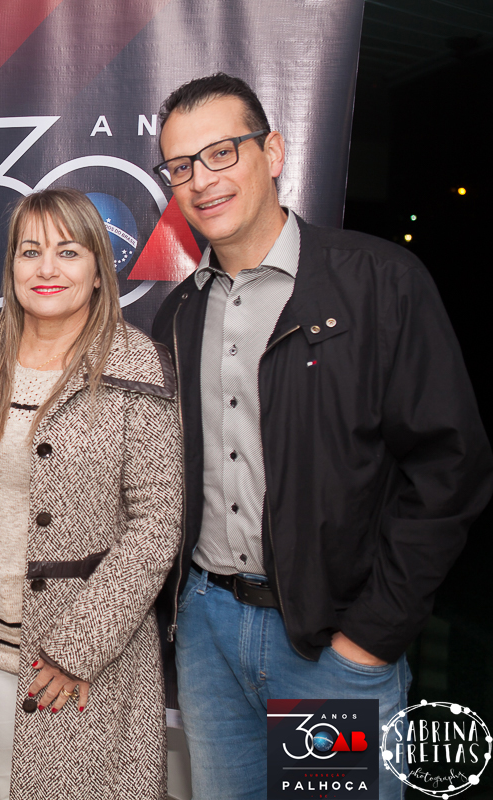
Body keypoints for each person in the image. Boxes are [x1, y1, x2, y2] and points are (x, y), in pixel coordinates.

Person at [149, 73, 493, 799]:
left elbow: (449, 469)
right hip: (208, 634)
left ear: (272, 151)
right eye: (181, 167)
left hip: (331, 635)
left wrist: (371, 635)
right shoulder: (177, 316)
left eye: (220, 153)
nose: (200, 181)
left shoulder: (379, 282)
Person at [0, 188, 182, 800]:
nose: (46, 269)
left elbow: (157, 523)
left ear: (98, 270)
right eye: (30, 251)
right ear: (10, 266)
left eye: (68, 252)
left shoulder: (138, 368)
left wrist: (76, 649)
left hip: (83, 661)